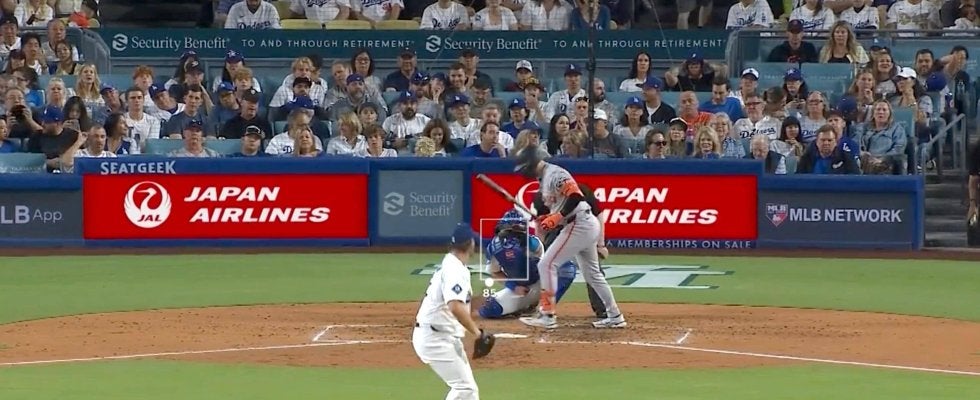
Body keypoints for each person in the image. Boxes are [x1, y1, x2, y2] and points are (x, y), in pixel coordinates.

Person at [513, 144, 625, 329]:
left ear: (531, 163)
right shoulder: (544, 178)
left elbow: (576, 196)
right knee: (593, 274)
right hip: (582, 224)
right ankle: (615, 315)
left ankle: (547, 315)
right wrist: (549, 217)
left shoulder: (555, 174)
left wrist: (558, 217)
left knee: (547, 264)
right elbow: (561, 204)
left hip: (579, 224)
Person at [412, 223, 487, 400]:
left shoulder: (453, 264)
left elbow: (460, 303)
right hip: (435, 339)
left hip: (441, 336)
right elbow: (455, 306)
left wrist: (489, 299)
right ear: (470, 244)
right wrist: (477, 333)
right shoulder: (454, 270)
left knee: (468, 390)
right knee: (465, 389)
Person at [477, 209, 576, 319]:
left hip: (541, 284)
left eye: (515, 232)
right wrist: (514, 286)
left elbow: (546, 268)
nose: (511, 236)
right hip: (521, 289)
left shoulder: (533, 244)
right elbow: (495, 273)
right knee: (489, 308)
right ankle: (525, 306)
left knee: (567, 268)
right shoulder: (495, 248)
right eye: (508, 231)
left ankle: (545, 311)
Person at [796, 125, 861, 174]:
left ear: (836, 142)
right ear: (816, 142)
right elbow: (798, 179)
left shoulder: (846, 157)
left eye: (829, 140)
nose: (826, 143)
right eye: (823, 140)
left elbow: (856, 178)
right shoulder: (806, 158)